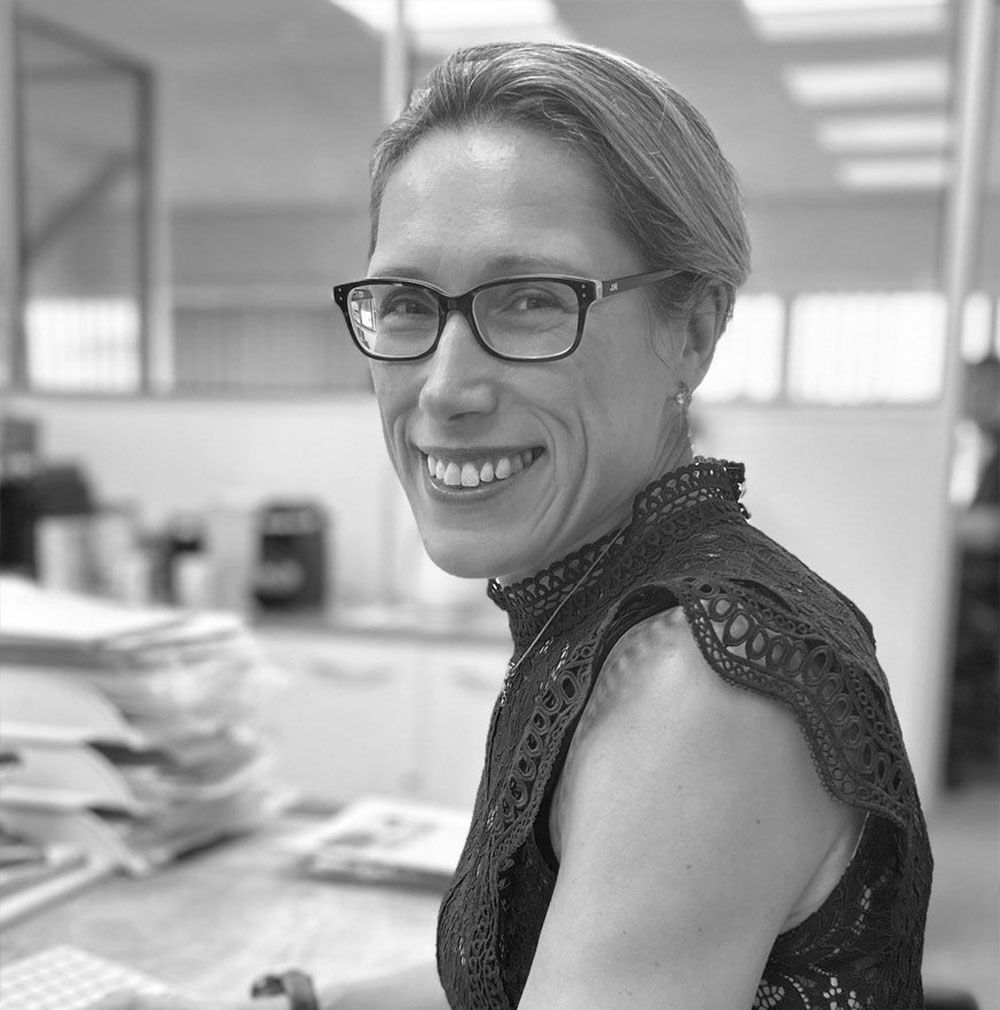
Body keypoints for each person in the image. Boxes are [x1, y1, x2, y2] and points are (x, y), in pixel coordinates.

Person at [100, 41, 932, 1010]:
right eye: (407, 303)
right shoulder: (603, 595)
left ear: (693, 330)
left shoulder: (693, 683)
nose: (445, 388)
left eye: (532, 300)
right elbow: (516, 972)